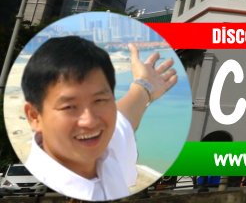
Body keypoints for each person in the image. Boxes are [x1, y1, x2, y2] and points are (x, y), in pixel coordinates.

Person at [20, 36, 179, 201]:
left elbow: (124, 119)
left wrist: (145, 85)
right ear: (34, 116)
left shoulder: (107, 151)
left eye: (99, 100)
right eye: (69, 107)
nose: (89, 121)